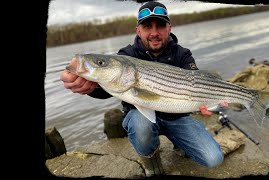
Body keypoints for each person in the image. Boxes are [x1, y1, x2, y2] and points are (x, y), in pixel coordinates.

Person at [60, 1, 224, 176]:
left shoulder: (182, 54)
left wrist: (211, 102)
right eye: (147, 26)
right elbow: (104, 88)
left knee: (214, 158)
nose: (154, 33)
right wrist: (89, 86)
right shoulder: (126, 56)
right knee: (140, 125)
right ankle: (152, 164)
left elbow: (199, 84)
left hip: (178, 118)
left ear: (169, 28)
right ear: (138, 31)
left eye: (160, 26)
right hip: (142, 117)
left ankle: (179, 142)